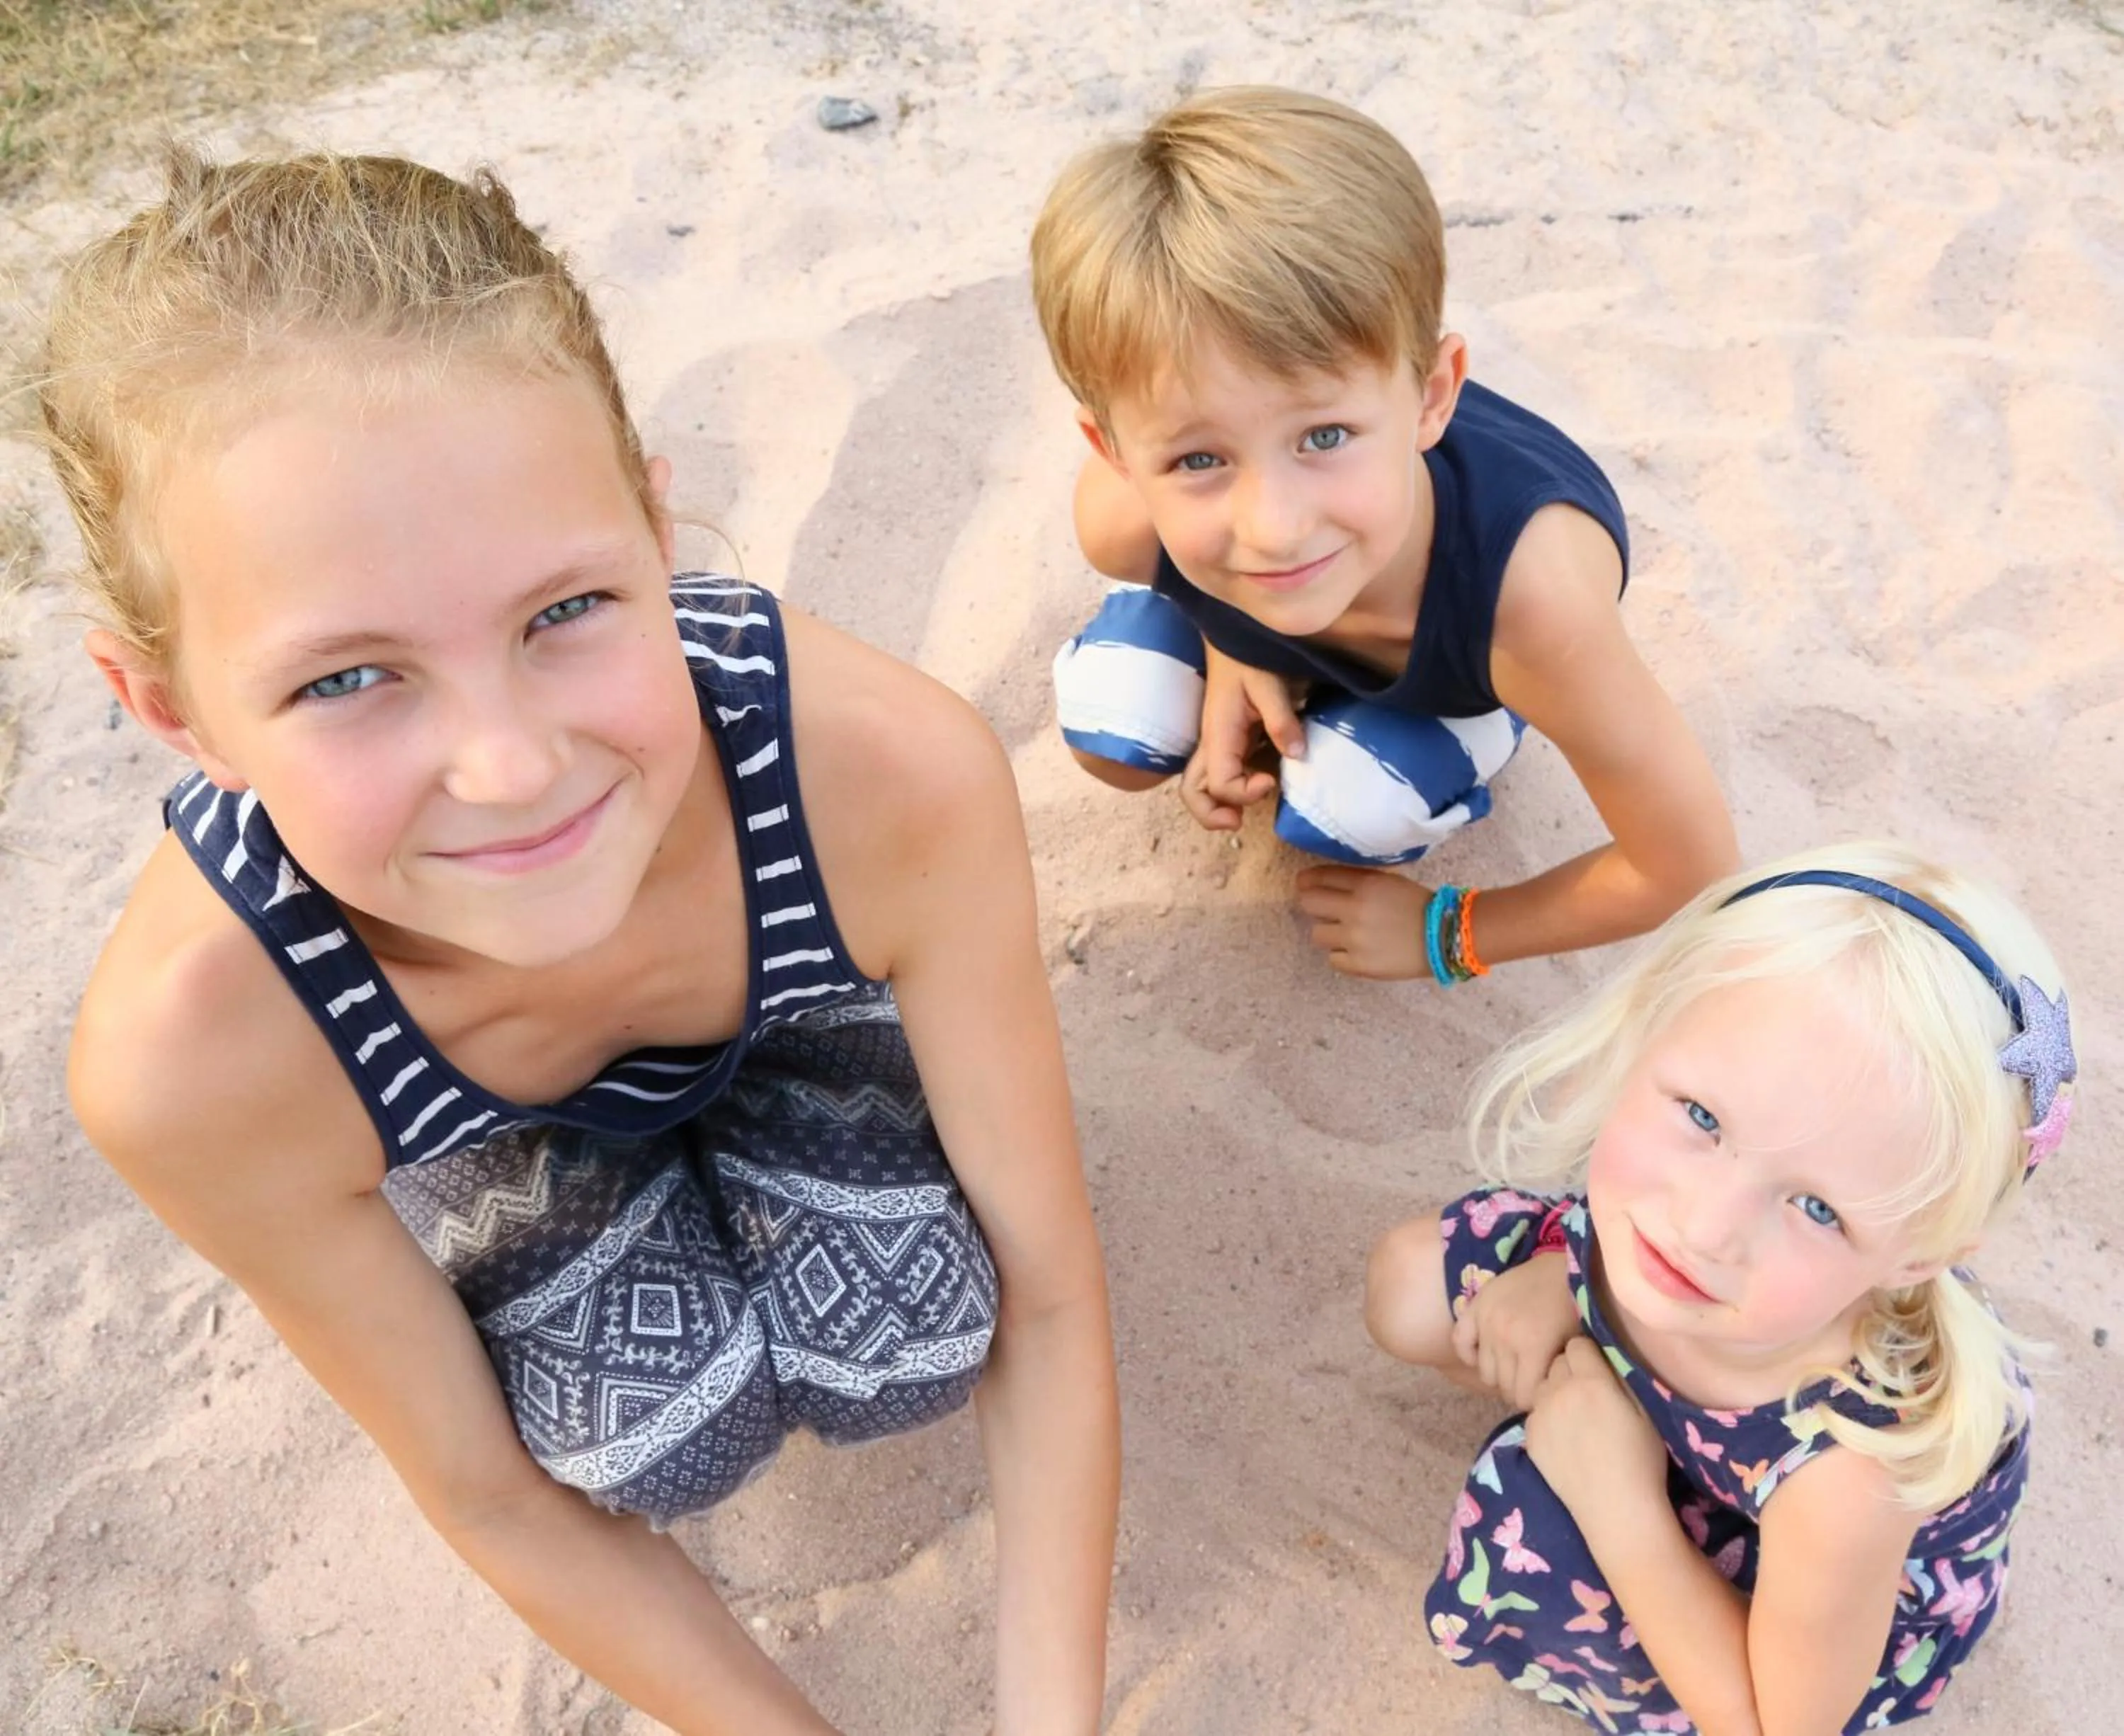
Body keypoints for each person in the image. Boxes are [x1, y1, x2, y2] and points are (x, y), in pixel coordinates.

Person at [42, 149, 1119, 1735]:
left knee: (903, 1337)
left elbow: (1056, 1295)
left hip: (779, 994)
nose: (514, 764)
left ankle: (786, 1077)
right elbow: (486, 1491)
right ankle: (551, 1159)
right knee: (651, 1431)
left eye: (566, 611)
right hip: (492, 1117)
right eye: (347, 679)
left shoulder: (882, 774)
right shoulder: (191, 1055)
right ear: (172, 708)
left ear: (654, 524)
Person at [1030, 87, 1737, 983]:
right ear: (1117, 453)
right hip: (1281, 601)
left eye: (1324, 437)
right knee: (1115, 731)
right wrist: (1233, 645)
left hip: (1462, 643)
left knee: (1351, 816)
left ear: (1434, 396)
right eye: (1199, 459)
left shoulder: (1533, 609)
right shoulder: (1122, 520)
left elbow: (1691, 864)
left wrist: (1453, 931)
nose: (1275, 529)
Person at [1364, 843, 2072, 1732]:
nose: (1706, 1227)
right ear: (1648, 1033)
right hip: (1700, 1380)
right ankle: (1614, 1397)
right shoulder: (1709, 1224)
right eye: (1703, 1119)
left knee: (1558, 1536)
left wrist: (1617, 1499)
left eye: (1817, 1207)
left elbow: (1777, 1723)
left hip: (1812, 1589)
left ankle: (1624, 1456)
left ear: (1915, 1258)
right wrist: (1567, 1273)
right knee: (1411, 1290)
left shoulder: (1850, 1478)